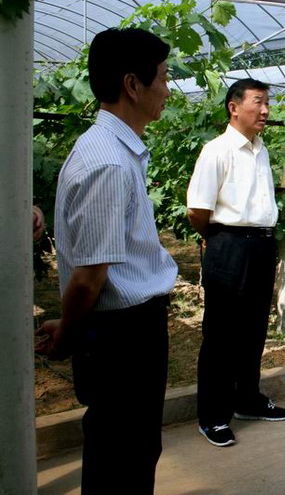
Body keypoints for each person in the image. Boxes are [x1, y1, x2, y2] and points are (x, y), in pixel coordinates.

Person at [35, 28, 178, 494]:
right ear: (132, 85)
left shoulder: (110, 150)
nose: (168, 89)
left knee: (123, 450)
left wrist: (70, 325)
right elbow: (88, 278)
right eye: (163, 77)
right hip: (124, 336)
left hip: (120, 331)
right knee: (125, 457)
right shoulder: (109, 163)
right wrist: (70, 333)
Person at [187, 78, 285, 447]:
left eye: (268, 103)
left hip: (261, 245)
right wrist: (219, 239)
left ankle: (247, 400)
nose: (265, 111)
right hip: (229, 244)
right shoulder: (216, 151)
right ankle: (213, 416)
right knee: (221, 334)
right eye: (258, 102)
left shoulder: (261, 150)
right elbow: (197, 210)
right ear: (234, 107)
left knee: (253, 328)